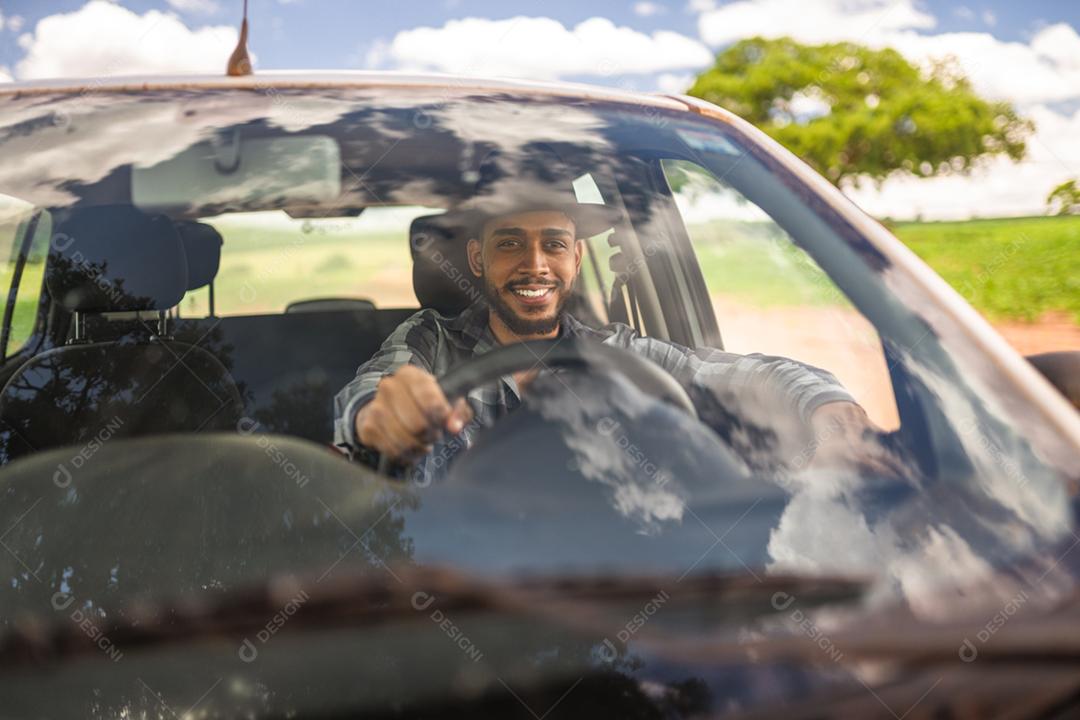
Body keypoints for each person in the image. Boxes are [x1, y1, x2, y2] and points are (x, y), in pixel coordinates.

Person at [333, 200, 882, 479]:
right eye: (509, 245)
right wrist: (383, 414)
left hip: (612, 584)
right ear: (476, 259)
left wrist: (825, 404)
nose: (534, 265)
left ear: (576, 259)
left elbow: (730, 372)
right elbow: (375, 392)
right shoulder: (430, 340)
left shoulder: (616, 347)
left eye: (553, 244)